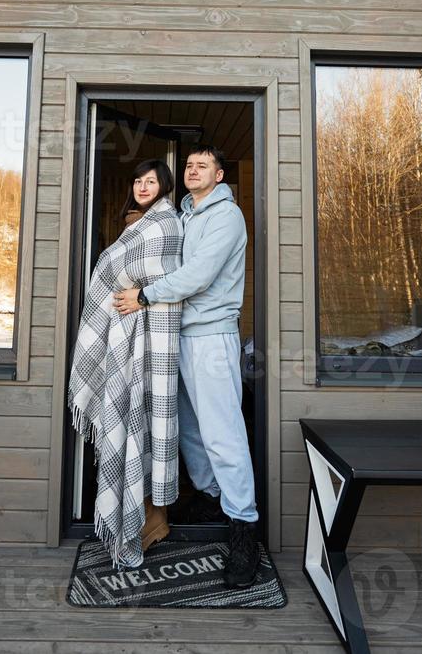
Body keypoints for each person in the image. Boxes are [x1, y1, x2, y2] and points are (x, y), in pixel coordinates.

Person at [113, 145, 258, 588]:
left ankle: (244, 531)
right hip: (176, 335)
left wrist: (145, 296)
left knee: (223, 433)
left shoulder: (225, 217)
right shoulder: (185, 215)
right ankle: (212, 498)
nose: (194, 170)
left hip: (211, 338)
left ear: (218, 176)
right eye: (189, 166)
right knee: (190, 428)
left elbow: (198, 274)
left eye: (203, 166)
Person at [67, 160, 185, 569]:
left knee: (146, 419)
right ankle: (138, 519)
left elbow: (159, 271)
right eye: (138, 180)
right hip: (124, 336)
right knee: (131, 417)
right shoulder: (133, 225)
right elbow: (115, 272)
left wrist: (129, 282)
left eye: (151, 181)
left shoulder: (167, 224)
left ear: (164, 187)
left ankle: (151, 519)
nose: (142, 185)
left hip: (153, 339)